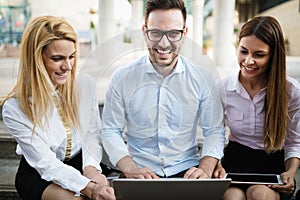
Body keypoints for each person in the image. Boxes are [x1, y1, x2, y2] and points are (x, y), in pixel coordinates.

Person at [100, 0, 225, 179]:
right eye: (156, 33)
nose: (164, 43)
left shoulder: (203, 78)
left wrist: (205, 169)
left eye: (174, 33)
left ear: (184, 34)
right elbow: (110, 130)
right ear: (144, 32)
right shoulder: (122, 78)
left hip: (187, 171)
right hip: (137, 171)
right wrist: (129, 167)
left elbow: (214, 130)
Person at [1, 15, 115, 200]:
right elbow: (46, 164)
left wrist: (91, 169)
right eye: (57, 58)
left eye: (72, 56)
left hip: (83, 162)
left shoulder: (85, 84)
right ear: (36, 59)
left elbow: (91, 133)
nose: (68, 66)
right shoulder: (14, 108)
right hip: (39, 171)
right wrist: (89, 188)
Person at [213, 16, 300, 200]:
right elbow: (215, 133)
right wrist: (217, 164)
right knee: (232, 198)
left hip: (273, 164)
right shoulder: (223, 87)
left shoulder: (291, 91)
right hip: (235, 161)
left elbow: (294, 141)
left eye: (259, 55)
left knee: (258, 194)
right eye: (243, 51)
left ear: (273, 55)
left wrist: (291, 172)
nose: (248, 61)